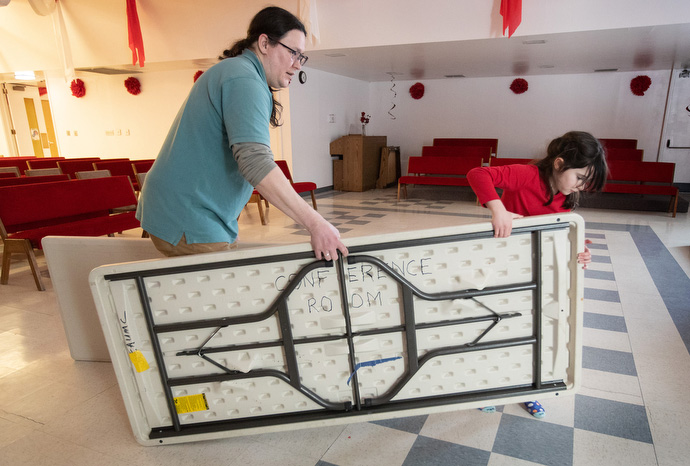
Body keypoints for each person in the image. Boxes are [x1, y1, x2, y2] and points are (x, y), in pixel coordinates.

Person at [136, 6, 347, 261]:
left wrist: (226, 223)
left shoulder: (238, 72)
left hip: (189, 212)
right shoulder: (243, 78)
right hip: (189, 216)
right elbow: (255, 162)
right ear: (265, 43)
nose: (297, 65)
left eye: (302, 57)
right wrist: (316, 224)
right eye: (293, 53)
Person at [467, 130, 608, 418]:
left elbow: (562, 229)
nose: (581, 186)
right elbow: (477, 174)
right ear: (559, 164)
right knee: (498, 326)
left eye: (585, 182)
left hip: (540, 272)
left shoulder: (565, 195)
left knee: (535, 332)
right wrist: (498, 210)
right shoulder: (528, 175)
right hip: (506, 268)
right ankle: (489, 385)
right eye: (580, 177)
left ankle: (529, 389)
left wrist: (580, 251)